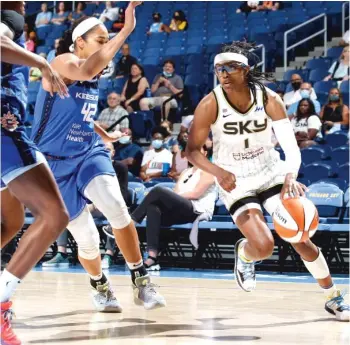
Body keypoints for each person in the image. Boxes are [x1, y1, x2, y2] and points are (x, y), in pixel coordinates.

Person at [186, 41, 349, 321]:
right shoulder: (210, 103)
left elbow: (290, 145)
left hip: (270, 171)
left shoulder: (269, 98)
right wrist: (218, 172)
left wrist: (290, 176)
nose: (223, 74)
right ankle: (246, 255)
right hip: (234, 178)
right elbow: (191, 152)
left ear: (246, 70)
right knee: (264, 247)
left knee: (300, 237)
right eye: (218, 69)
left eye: (230, 68)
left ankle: (333, 297)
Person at [31, 3, 166, 313]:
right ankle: (100, 285)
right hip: (52, 166)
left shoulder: (86, 73)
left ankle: (141, 280)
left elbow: (78, 114)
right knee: (87, 240)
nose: (107, 47)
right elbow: (89, 68)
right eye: (101, 40)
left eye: (108, 40)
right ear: (80, 42)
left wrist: (104, 136)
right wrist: (126, 29)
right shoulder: (62, 61)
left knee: (116, 206)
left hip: (87, 151)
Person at [0, 2, 70, 344]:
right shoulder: (9, 15)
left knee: (8, 224)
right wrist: (40, 61)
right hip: (3, 125)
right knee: (55, 215)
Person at [131, 145, 216, 271]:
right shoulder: (186, 172)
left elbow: (195, 194)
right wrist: (172, 197)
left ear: (205, 153)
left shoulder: (209, 171)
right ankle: (152, 257)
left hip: (198, 208)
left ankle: (131, 223)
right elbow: (176, 192)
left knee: (158, 190)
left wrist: (172, 196)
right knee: (153, 207)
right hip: (181, 209)